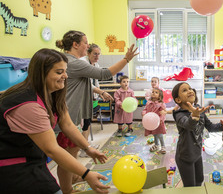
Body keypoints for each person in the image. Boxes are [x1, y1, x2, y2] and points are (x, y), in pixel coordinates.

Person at [0, 49, 109, 194]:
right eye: (59, 72)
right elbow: (52, 149)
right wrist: (86, 174)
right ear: (41, 74)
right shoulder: (28, 105)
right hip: (12, 165)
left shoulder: (54, 93)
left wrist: (88, 148)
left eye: (65, 71)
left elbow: (67, 124)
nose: (65, 76)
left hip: (33, 159)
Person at [55, 30, 138, 193]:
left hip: (71, 115)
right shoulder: (74, 63)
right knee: (68, 158)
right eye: (85, 42)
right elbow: (104, 74)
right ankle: (67, 189)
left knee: (73, 152)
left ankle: (73, 177)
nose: (87, 45)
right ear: (75, 44)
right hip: (69, 117)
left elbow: (83, 83)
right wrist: (126, 59)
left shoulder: (70, 61)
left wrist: (99, 92)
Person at [171, 82, 223, 187]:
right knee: (190, 186)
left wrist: (220, 126)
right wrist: (194, 116)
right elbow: (188, 125)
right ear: (178, 100)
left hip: (197, 154)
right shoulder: (179, 115)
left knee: (199, 180)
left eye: (190, 88)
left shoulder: (199, 109)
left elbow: (209, 126)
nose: (190, 90)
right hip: (184, 156)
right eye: (185, 90)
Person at [80, 43, 114, 158]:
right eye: (95, 54)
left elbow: (96, 82)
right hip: (82, 99)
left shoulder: (96, 64)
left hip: (90, 98)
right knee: (84, 123)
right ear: (88, 53)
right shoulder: (83, 63)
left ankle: (86, 145)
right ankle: (84, 149)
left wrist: (99, 94)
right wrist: (101, 92)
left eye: (99, 54)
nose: (97, 56)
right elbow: (87, 84)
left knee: (88, 122)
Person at [142, 88, 167, 154]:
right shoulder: (149, 103)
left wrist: (161, 119)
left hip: (159, 122)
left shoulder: (161, 104)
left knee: (160, 135)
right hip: (151, 123)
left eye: (156, 92)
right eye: (153, 92)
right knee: (154, 134)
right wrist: (144, 113)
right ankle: (156, 145)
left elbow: (163, 112)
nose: (153, 93)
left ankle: (163, 146)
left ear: (160, 96)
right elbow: (145, 109)